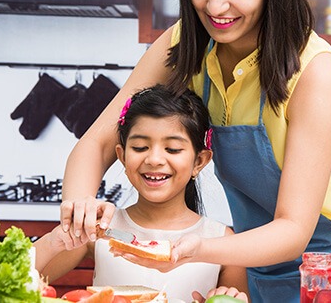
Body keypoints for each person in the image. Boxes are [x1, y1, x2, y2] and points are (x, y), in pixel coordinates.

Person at [59, 0, 331, 300]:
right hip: (258, 261)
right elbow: (97, 142)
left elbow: (293, 230)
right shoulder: (185, 45)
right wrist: (80, 207)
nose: (215, 6)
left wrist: (194, 247)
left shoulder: (315, 71)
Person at [34, 85, 248, 302]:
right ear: (122, 156)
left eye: (172, 149)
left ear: (199, 161)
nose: (154, 159)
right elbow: (22, 275)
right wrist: (59, 237)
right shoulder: (101, 230)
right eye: (139, 147)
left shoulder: (220, 239)